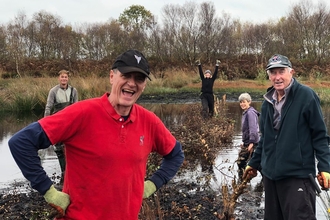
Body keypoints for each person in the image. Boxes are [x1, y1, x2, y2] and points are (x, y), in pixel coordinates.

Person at [8, 49, 185, 220]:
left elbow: (175, 154)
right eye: (126, 76)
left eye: (139, 79)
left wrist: (152, 184)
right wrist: (49, 191)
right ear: (111, 77)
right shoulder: (82, 113)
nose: (132, 83)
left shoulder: (149, 121)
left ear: (144, 85)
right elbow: (21, 142)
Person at [243, 54, 330, 220]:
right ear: (268, 76)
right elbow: (265, 139)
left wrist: (325, 168)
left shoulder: (306, 96)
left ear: (291, 72)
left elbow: (320, 136)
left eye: (281, 71)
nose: (277, 77)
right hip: (271, 177)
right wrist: (253, 163)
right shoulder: (267, 102)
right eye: (273, 73)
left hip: (298, 177)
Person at [44, 69, 78, 184]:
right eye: (62, 77)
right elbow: (48, 107)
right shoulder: (53, 91)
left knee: (72, 149)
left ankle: (71, 173)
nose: (64, 79)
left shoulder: (74, 91)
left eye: (65, 77)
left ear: (68, 78)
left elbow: (77, 108)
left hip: (70, 124)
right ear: (59, 78)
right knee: (58, 149)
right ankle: (64, 173)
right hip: (58, 123)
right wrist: (45, 123)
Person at [236, 92, 260, 179]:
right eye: (241, 102)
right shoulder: (246, 112)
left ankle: (243, 183)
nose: (242, 104)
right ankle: (244, 183)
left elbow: (253, 128)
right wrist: (245, 142)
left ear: (249, 102)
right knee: (252, 163)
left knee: (242, 162)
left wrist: (251, 143)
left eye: (244, 102)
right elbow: (246, 130)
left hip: (253, 143)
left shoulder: (250, 113)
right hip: (248, 142)